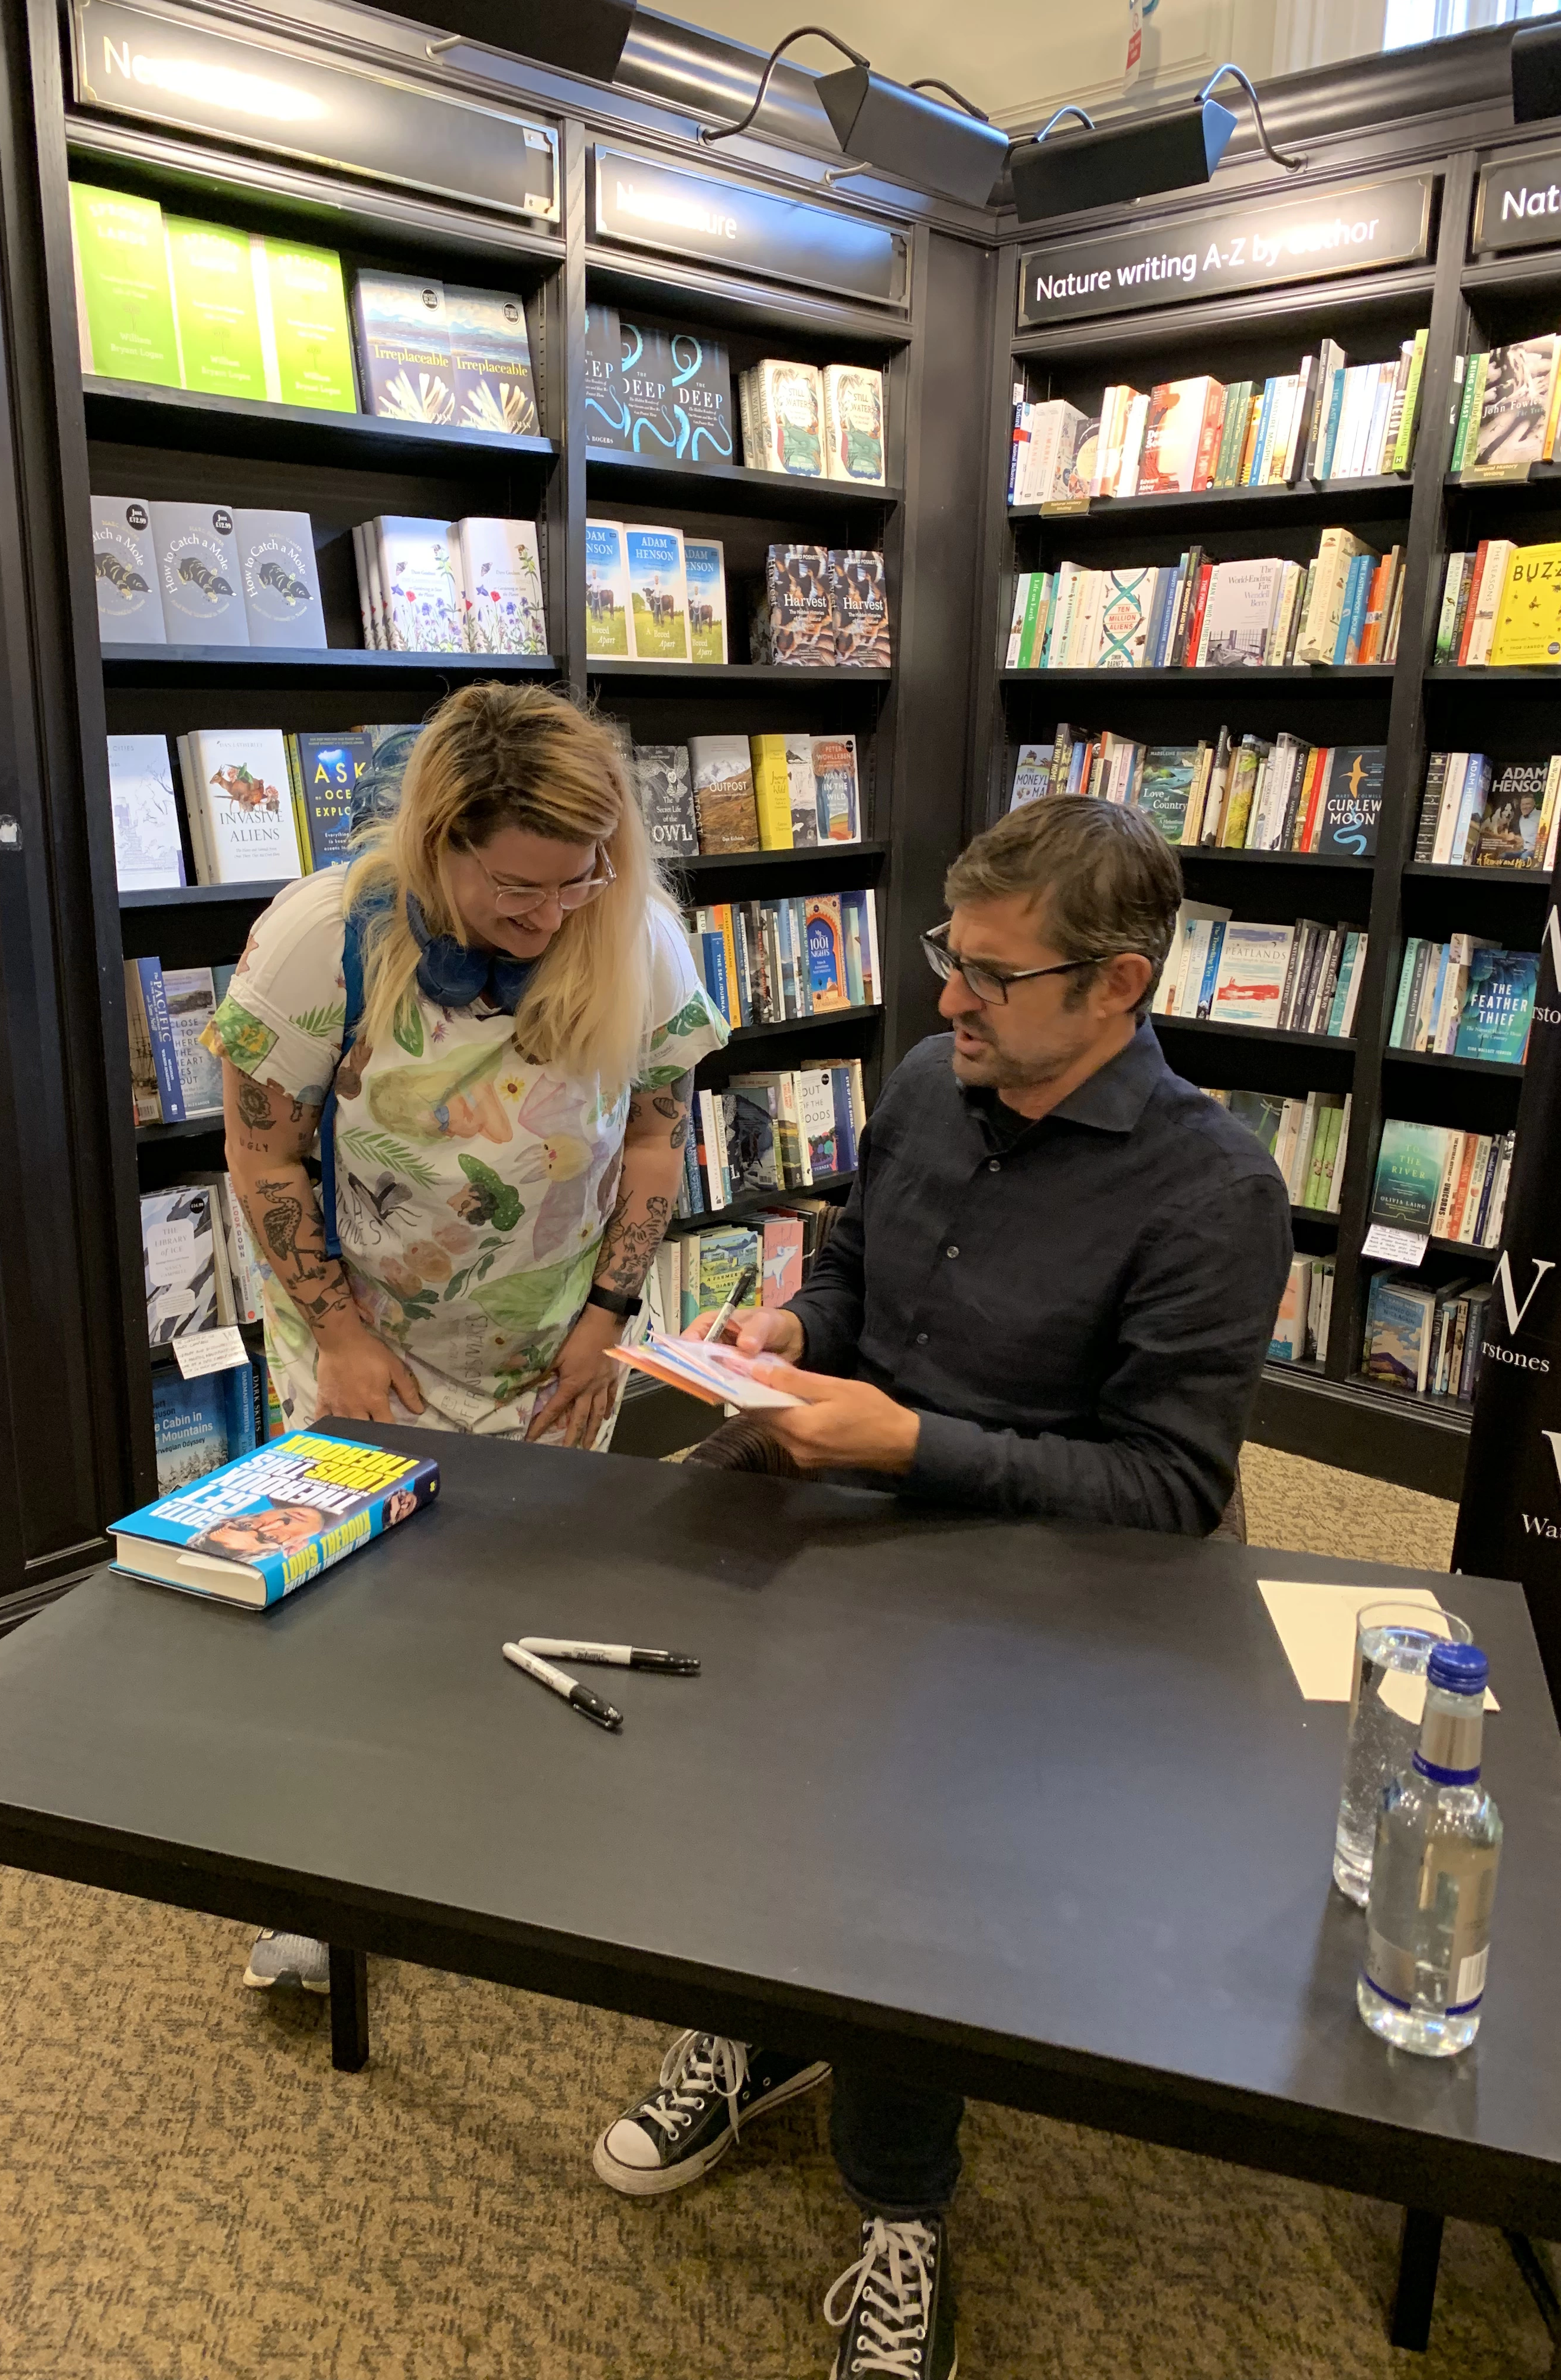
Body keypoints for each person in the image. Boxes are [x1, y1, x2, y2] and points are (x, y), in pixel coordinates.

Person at [590, 797, 1293, 2380]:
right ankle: (761, 2024)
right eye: (945, 959)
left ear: (1118, 988)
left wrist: (909, 1444)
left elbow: (1170, 1494)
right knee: (652, 1692)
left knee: (883, 1828)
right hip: (832, 1476)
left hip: (1035, 1572)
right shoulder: (930, 1081)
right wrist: (791, 1338)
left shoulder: (1213, 1193)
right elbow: (851, 1273)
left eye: (990, 974)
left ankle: (899, 2206)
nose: (946, 1001)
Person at [203, 682, 725, 1991]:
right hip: (363, 1337)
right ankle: (330, 1878)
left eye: (580, 885)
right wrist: (334, 1328)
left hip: (555, 1340)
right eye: (516, 889)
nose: (552, 919)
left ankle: (505, 1853)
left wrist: (608, 1319)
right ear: (440, 839)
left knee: (534, 1593)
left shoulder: (638, 935)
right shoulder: (317, 940)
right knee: (355, 1616)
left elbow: (656, 1134)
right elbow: (262, 1148)